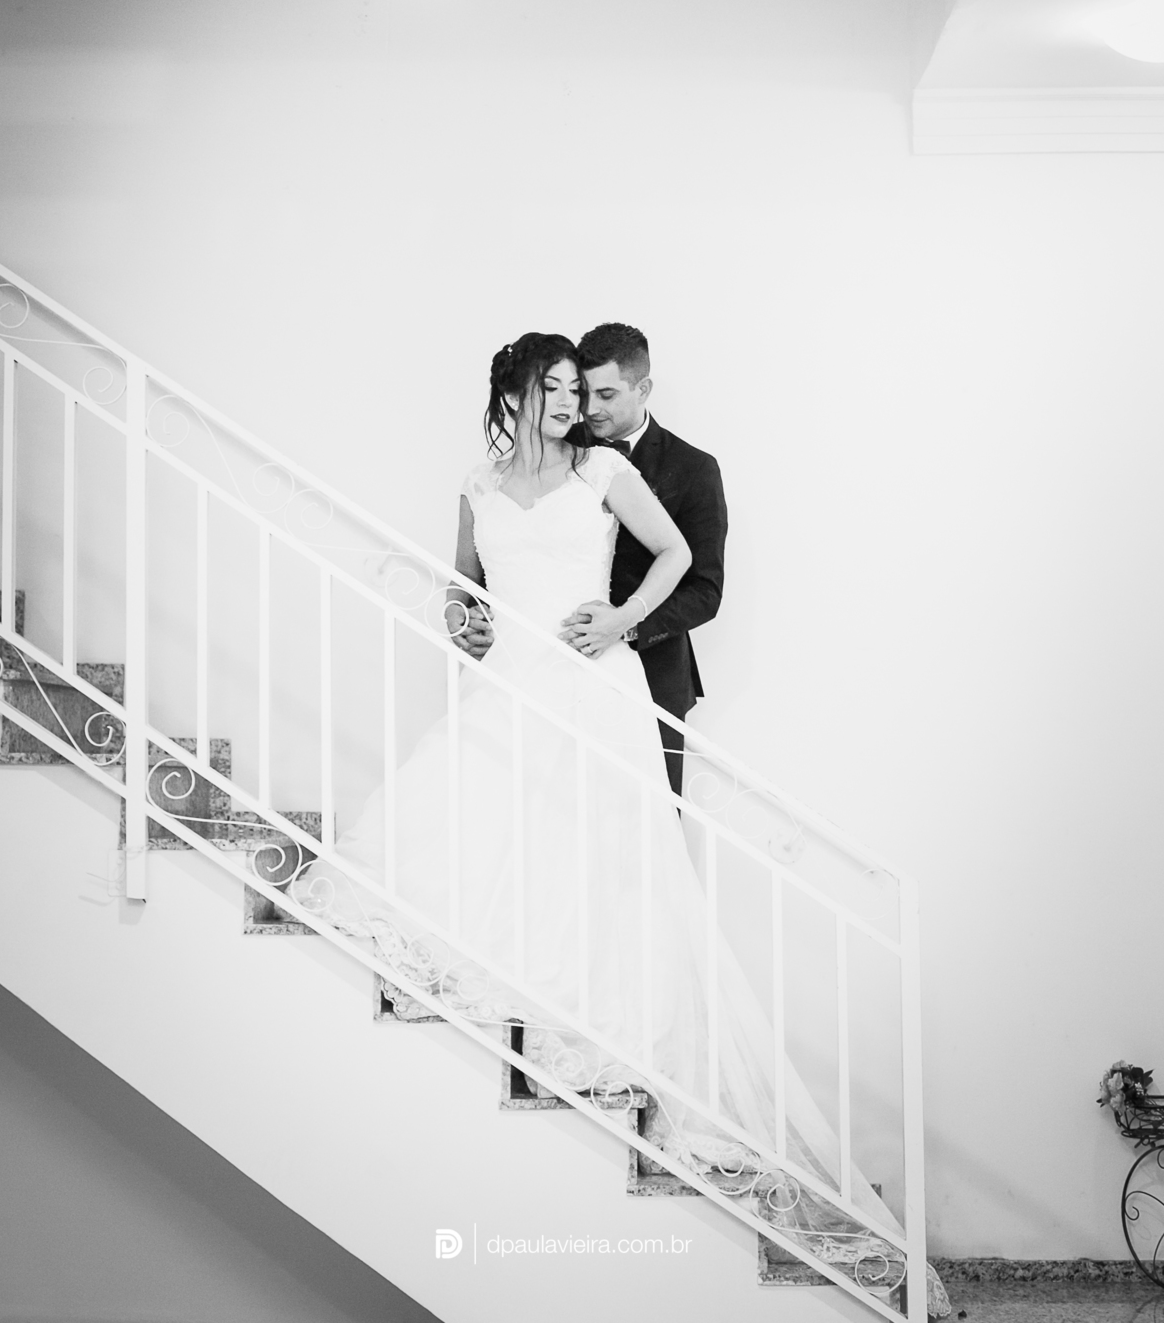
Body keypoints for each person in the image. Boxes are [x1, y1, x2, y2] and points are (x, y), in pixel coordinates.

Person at [291, 333, 949, 1315]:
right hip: (512, 685)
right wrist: (462, 622)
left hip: (594, 686)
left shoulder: (604, 470)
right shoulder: (475, 485)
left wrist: (620, 620)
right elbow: (464, 590)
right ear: (514, 393)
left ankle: (616, 1047)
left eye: (576, 388)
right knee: (486, 837)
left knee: (609, 869)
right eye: (553, 388)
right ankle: (529, 1011)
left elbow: (681, 556)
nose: (568, 403)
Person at [564, 322, 728, 799]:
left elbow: (705, 590)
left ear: (643, 389)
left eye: (607, 395)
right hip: (560, 662)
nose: (591, 409)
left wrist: (624, 626)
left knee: (651, 821)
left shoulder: (694, 468)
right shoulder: (557, 450)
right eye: (584, 393)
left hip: (653, 672)